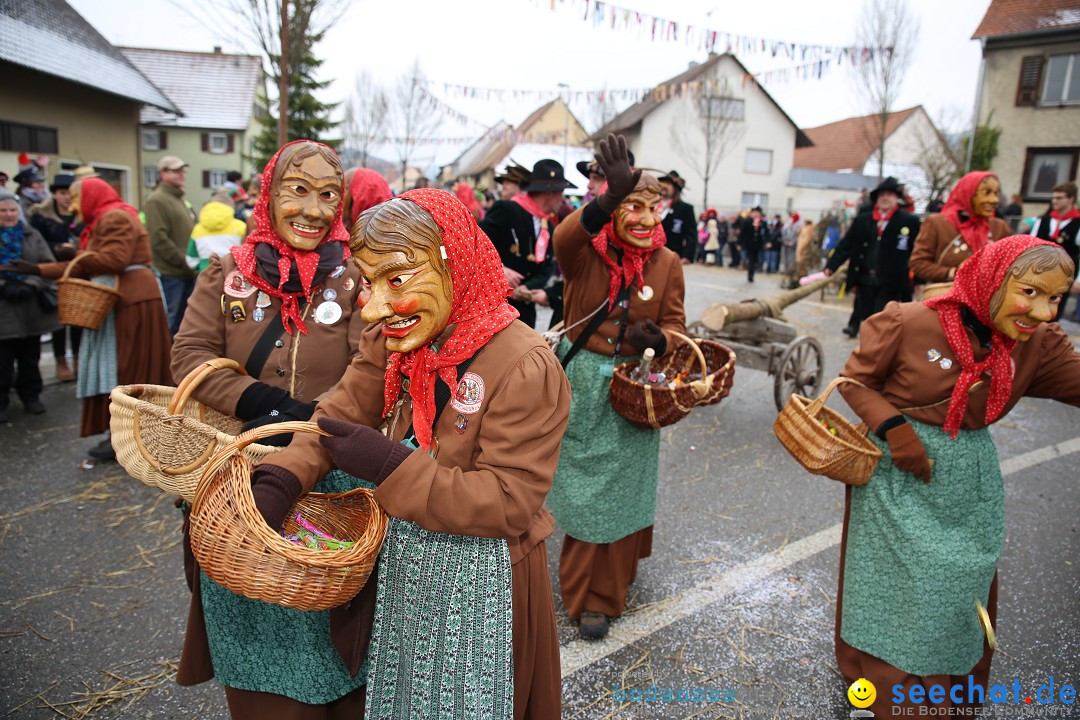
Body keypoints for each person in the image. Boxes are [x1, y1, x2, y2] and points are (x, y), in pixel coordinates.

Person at [240, 188, 570, 719]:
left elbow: (511, 502)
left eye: (396, 279)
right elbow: (340, 411)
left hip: (479, 584)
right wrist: (280, 477)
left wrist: (390, 465)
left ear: (453, 262)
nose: (372, 306)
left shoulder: (523, 364)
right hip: (403, 563)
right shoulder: (393, 337)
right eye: (368, 283)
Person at [833, 236, 1080, 717]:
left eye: (1055, 298)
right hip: (896, 478)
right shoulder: (908, 322)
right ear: (993, 280)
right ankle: (890, 695)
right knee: (900, 590)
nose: (1044, 312)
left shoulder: (1036, 347)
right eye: (1029, 292)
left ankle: (947, 687)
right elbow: (854, 382)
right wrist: (895, 429)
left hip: (970, 483)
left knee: (958, 587)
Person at [173, 141, 376, 718]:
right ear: (269, 194)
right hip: (242, 477)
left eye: (328, 194)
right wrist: (260, 401)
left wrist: (314, 421)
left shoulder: (358, 280)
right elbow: (189, 356)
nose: (313, 209)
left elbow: (375, 364)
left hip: (330, 478)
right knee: (255, 617)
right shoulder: (227, 273)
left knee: (327, 626)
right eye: (298, 190)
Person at [549, 135, 686, 641]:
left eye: (653, 207)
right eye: (633, 205)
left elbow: (679, 326)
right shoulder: (586, 253)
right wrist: (604, 198)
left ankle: (606, 596)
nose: (645, 218)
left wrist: (664, 339)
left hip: (638, 387)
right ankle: (581, 592)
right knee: (587, 493)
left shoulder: (667, 263)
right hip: (584, 383)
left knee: (626, 489)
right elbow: (565, 237)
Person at [32, 178, 172, 459]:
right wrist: (37, 268)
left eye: (75, 197)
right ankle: (128, 435)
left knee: (129, 369)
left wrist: (75, 253)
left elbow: (113, 260)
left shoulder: (115, 217)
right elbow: (91, 262)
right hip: (127, 299)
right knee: (127, 368)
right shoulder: (105, 218)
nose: (72, 205)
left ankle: (132, 437)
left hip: (132, 301)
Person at [479, 159, 574, 329]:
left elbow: (547, 268)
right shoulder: (507, 209)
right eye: (561, 193)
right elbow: (475, 241)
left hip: (523, 313)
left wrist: (525, 289)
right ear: (549, 193)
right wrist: (500, 269)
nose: (563, 199)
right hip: (491, 307)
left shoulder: (550, 227)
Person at [825, 177, 921, 338]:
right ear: (876, 198)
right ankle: (861, 335)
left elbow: (918, 252)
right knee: (865, 312)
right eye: (882, 195)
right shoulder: (864, 220)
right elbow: (846, 244)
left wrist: (919, 280)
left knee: (880, 318)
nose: (885, 198)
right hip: (864, 277)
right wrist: (831, 265)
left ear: (896, 198)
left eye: (889, 194)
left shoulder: (908, 221)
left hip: (891, 281)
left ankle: (875, 348)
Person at [0, 189, 59, 422]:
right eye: (3, 210)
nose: (8, 214)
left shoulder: (31, 234)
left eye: (12, 210)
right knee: (2, 360)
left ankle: (31, 396)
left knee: (29, 357)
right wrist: (4, 285)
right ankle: (2, 401)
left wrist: (32, 283)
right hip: (3, 309)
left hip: (29, 308)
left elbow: (48, 265)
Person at [909, 171, 1011, 296]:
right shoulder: (937, 223)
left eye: (996, 193)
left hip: (987, 302)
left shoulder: (999, 227)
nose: (994, 200)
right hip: (947, 298)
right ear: (968, 193)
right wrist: (952, 272)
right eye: (986, 192)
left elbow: (1010, 265)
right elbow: (918, 263)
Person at [28, 173, 80, 381]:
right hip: (54, 272)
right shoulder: (41, 216)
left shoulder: (80, 215)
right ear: (54, 195)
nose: (66, 198)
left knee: (79, 319)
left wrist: (74, 249)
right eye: (62, 193)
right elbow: (37, 242)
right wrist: (57, 249)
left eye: (69, 194)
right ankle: (61, 361)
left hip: (77, 271)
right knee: (59, 320)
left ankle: (77, 358)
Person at [146, 155, 196, 335]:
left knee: (185, 323)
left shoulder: (179, 199)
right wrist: (183, 260)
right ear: (163, 174)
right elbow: (158, 238)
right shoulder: (156, 200)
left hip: (186, 271)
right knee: (171, 322)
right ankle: (165, 361)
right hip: (171, 274)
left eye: (182, 170)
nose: (182, 174)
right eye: (176, 171)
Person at [1030, 181, 1079, 320]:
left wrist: (1079, 280)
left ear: (1071, 199)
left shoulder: (1077, 223)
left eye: (1059, 198)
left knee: (1052, 312)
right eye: (1053, 197)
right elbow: (1030, 245)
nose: (1054, 201)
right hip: (1038, 272)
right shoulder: (1044, 220)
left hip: (1063, 275)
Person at [185, 199, 247, 273]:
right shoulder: (241, 226)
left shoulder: (197, 229)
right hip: (234, 274)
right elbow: (247, 254)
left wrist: (202, 267)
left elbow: (191, 259)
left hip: (206, 274)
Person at [658, 170, 696, 264]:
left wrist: (687, 256)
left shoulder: (685, 208)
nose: (664, 186)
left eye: (668, 184)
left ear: (675, 188)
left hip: (672, 255)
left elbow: (691, 234)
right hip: (651, 254)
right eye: (663, 183)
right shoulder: (651, 205)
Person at [738, 206, 769, 282]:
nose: (755, 214)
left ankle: (753, 271)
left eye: (757, 213)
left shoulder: (763, 222)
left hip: (758, 245)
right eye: (754, 213)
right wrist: (739, 243)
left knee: (756, 260)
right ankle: (750, 274)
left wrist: (768, 242)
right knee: (751, 259)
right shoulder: (747, 221)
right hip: (749, 244)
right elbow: (742, 233)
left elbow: (766, 233)